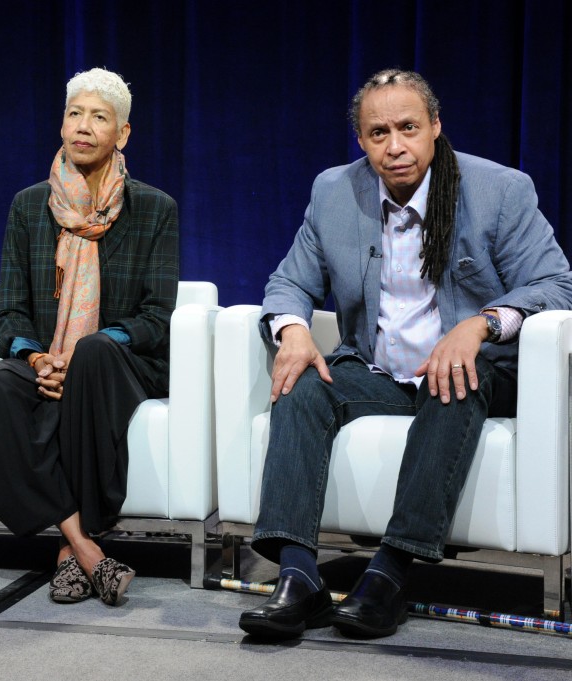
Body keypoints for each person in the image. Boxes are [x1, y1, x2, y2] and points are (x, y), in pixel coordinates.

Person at [238, 69, 572, 639]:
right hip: (379, 372)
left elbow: (555, 283)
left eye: (409, 128)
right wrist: (292, 330)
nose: (395, 146)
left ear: (435, 128)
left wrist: (482, 324)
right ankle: (298, 578)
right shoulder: (334, 192)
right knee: (299, 383)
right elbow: (288, 282)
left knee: (454, 379)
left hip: (477, 373)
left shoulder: (498, 191)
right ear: (362, 141)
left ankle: (388, 574)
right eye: (378, 133)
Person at [0, 68, 179, 606]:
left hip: (120, 361)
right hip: (44, 360)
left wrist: (85, 350)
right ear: (62, 124)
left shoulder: (154, 208)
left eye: (99, 117)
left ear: (122, 134)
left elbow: (157, 316)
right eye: (74, 114)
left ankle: (68, 554)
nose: (83, 127)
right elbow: (11, 311)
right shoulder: (27, 206)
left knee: (95, 353)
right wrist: (37, 358)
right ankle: (84, 548)